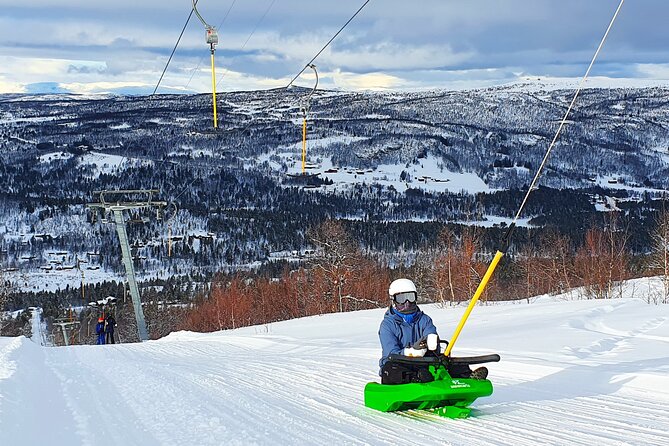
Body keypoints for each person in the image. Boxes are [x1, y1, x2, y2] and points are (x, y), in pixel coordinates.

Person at [378, 278, 488, 384]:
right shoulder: (387, 325)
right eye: (401, 299)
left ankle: (468, 376)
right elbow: (390, 353)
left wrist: (432, 343)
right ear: (393, 301)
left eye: (410, 297)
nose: (407, 303)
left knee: (447, 362)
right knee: (390, 369)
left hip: (422, 362)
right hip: (399, 363)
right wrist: (410, 352)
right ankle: (415, 378)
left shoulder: (424, 320)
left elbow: (431, 335)